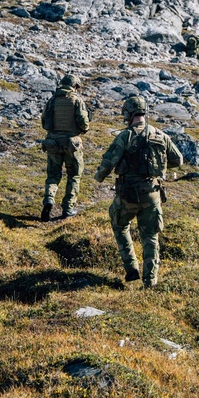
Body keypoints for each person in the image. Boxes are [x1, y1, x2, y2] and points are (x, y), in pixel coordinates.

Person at [94, 95, 183, 287]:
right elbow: (178, 160)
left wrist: (98, 177)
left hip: (127, 194)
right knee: (150, 236)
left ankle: (131, 267)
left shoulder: (125, 136)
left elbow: (108, 162)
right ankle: (150, 280)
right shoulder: (160, 135)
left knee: (119, 224)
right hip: (152, 193)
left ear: (128, 113)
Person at [39, 74, 90, 221]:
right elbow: (84, 123)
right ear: (74, 86)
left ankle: (49, 199)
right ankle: (68, 209)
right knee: (73, 176)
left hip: (53, 143)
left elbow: (44, 123)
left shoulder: (52, 100)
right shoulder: (77, 100)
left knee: (53, 176)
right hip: (72, 144)